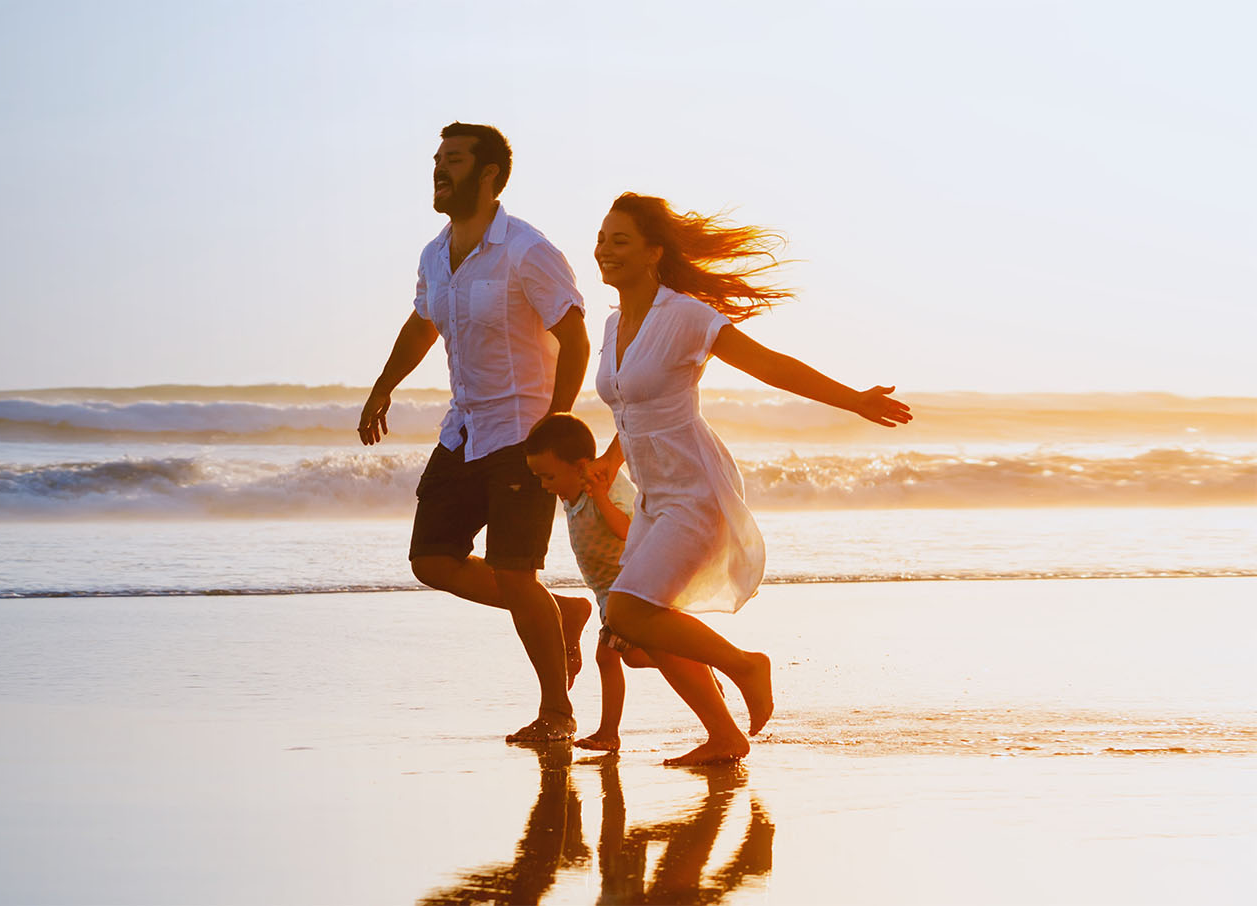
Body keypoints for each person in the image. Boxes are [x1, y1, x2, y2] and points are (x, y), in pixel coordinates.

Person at [590, 191, 912, 764]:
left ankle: (746, 666)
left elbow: (769, 365)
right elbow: (629, 405)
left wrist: (853, 400)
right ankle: (724, 736)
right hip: (653, 497)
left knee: (627, 612)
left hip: (695, 493)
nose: (604, 250)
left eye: (620, 240)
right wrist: (612, 460)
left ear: (652, 251)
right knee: (638, 632)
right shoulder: (615, 322)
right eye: (602, 238)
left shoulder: (683, 315)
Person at [357, 122, 592, 743]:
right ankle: (561, 612)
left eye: (454, 161)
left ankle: (557, 714)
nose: (440, 170)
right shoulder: (435, 253)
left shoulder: (526, 249)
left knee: (516, 575)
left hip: (523, 432)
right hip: (464, 429)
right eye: (437, 159)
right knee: (431, 559)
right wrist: (384, 386)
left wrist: (557, 421)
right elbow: (422, 323)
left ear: (488, 174)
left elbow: (574, 335)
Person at [520, 411, 664, 753]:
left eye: (548, 476)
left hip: (633, 589)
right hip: (607, 594)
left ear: (582, 466)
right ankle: (610, 732)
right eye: (539, 477)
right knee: (624, 657)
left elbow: (630, 533)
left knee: (621, 657)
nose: (544, 485)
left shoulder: (607, 486)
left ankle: (696, 660)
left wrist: (600, 497)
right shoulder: (570, 491)